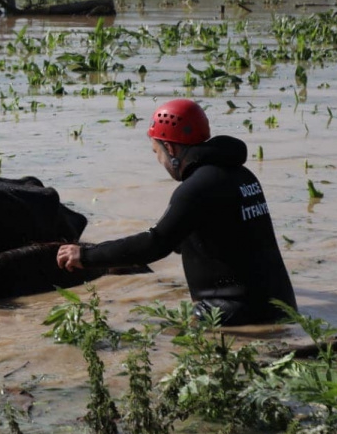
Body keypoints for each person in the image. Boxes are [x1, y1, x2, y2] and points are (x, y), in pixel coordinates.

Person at [56, 99, 296, 326]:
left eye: (156, 152)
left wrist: (86, 256)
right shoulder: (242, 176)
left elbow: (156, 244)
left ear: (169, 148)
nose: (159, 160)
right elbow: (213, 237)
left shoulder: (196, 188)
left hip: (232, 313)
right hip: (280, 306)